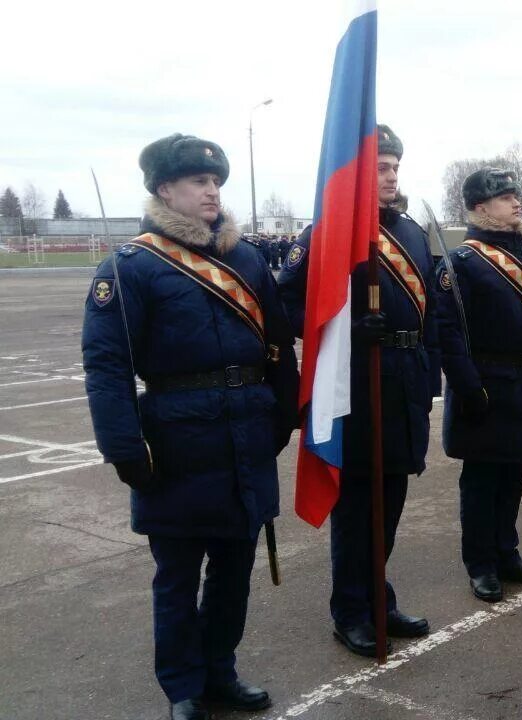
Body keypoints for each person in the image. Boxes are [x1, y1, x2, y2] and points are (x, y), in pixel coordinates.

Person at [83, 133, 300, 720]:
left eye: (216, 182)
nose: (212, 191)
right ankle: (183, 687)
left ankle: (220, 672)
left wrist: (285, 413)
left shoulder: (247, 258)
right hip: (176, 441)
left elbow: (278, 343)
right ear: (163, 190)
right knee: (177, 578)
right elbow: (106, 366)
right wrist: (125, 447)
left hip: (246, 435)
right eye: (198, 182)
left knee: (234, 571)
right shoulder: (132, 266)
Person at [278, 124, 439, 657]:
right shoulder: (328, 232)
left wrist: (429, 371)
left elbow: (430, 313)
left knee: (390, 502)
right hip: (356, 387)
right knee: (357, 511)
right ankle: (350, 610)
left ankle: (379, 599)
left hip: (403, 384)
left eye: (395, 167)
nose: (391, 177)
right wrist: (344, 331)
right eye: (381, 167)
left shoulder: (412, 233)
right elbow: (285, 307)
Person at [436, 168, 522, 602]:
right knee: (482, 480)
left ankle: (507, 553)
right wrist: (469, 387)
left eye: (515, 195)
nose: (516, 202)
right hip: (487, 384)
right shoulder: (466, 262)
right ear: (479, 207)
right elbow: (447, 331)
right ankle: (481, 563)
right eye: (505, 197)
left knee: (513, 475)